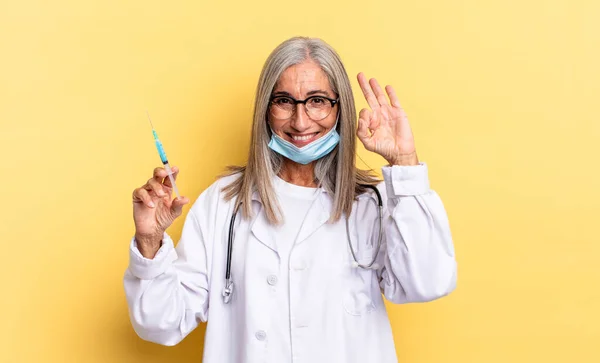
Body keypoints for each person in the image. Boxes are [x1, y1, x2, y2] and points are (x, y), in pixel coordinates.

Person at [124, 36, 457, 363]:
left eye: (317, 101)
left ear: (340, 107)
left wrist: (406, 164)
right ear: (265, 110)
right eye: (284, 101)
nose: (300, 121)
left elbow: (427, 283)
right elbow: (161, 323)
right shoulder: (224, 204)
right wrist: (150, 242)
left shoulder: (376, 202)